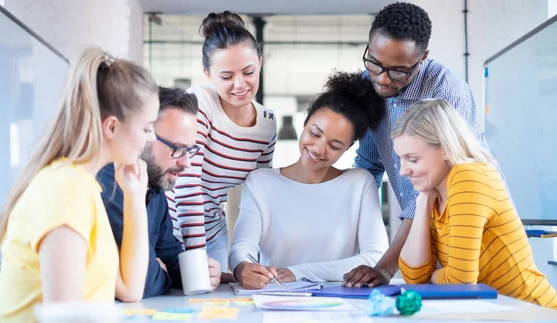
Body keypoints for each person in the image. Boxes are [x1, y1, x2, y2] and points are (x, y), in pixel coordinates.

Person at [0, 48, 159, 322]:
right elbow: (65, 319)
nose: (150, 139)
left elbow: (130, 289)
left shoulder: (84, 186)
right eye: (146, 128)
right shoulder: (65, 189)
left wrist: (135, 197)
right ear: (112, 127)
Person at [343, 2, 490, 288]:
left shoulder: (446, 93)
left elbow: (433, 186)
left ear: (422, 58)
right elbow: (369, 164)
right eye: (374, 63)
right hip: (420, 238)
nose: (382, 79)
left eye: (398, 71)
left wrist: (385, 266)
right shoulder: (369, 84)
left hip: (465, 234)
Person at [229, 72, 388, 289]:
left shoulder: (359, 183)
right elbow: (242, 247)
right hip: (275, 299)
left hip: (337, 304)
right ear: (304, 123)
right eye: (315, 133)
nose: (319, 149)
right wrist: (242, 268)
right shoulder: (261, 182)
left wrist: (300, 272)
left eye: (334, 146)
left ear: (348, 148)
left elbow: (374, 257)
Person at [393, 99, 557, 309]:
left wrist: (432, 275)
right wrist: (423, 200)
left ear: (446, 149)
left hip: (534, 311)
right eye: (401, 159)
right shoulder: (434, 193)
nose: (403, 171)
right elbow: (414, 277)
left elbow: (461, 282)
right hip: (498, 311)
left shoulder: (468, 176)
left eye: (413, 159)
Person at [166, 11, 277, 269]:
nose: (240, 84)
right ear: (208, 73)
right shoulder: (200, 102)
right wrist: (196, 258)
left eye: (248, 72)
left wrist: (253, 256)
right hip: (172, 227)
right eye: (226, 77)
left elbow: (258, 194)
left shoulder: (267, 122)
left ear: (259, 63)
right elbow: (187, 185)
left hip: (214, 230)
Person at [97, 87, 221, 298]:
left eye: (190, 150)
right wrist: (161, 274)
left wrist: (198, 272)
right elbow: (139, 282)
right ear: (143, 135)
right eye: (178, 149)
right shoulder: (109, 185)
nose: (186, 163)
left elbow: (169, 253)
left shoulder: (154, 185)